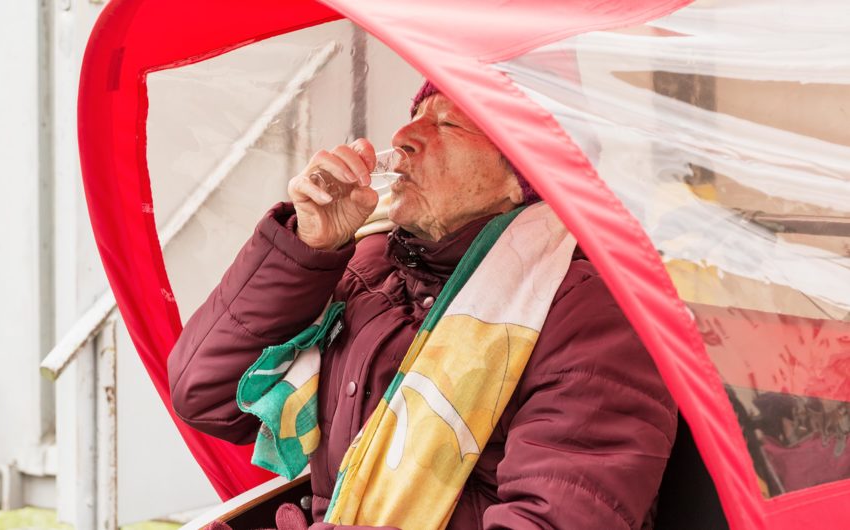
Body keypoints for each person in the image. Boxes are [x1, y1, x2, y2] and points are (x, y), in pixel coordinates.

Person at [168, 82, 677, 529]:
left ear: (522, 176)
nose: (403, 138)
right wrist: (309, 248)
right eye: (415, 115)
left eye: (448, 123)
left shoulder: (588, 313)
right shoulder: (373, 257)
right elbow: (209, 399)